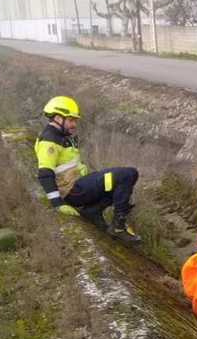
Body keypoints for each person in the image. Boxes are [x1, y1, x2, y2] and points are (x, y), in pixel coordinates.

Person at [34, 95, 142, 244]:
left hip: (78, 186)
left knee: (115, 182)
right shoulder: (50, 140)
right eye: (71, 120)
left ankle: (93, 211)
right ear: (58, 118)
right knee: (128, 174)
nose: (74, 124)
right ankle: (118, 227)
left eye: (75, 120)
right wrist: (57, 203)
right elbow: (45, 174)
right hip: (74, 191)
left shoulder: (61, 135)